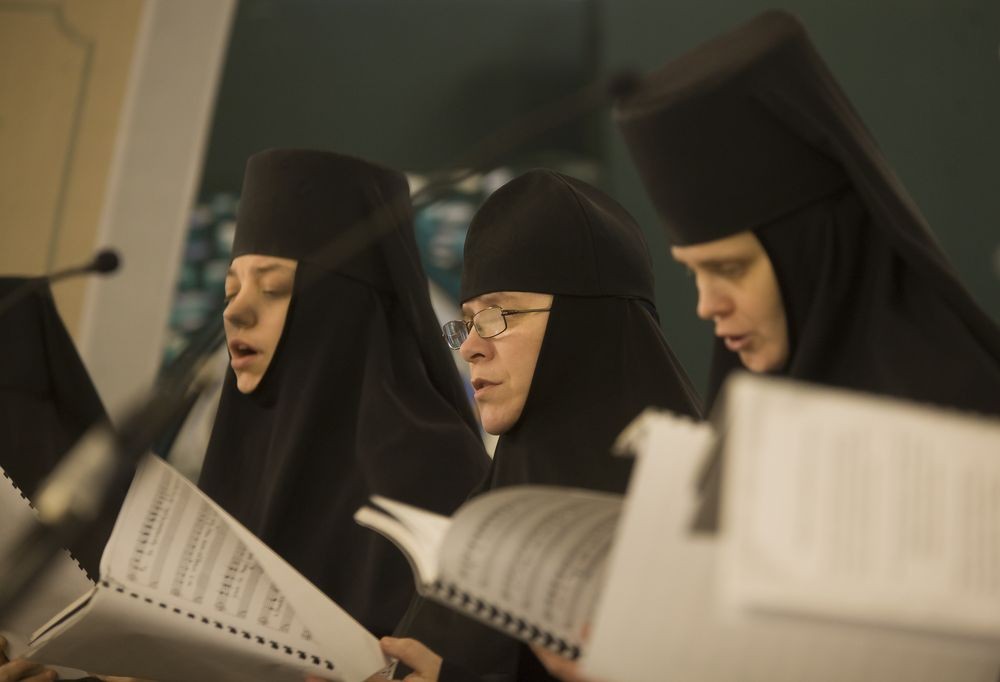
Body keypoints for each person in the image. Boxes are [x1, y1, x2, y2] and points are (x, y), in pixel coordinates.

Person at [378, 169, 704, 681]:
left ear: (583, 325)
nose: (470, 346)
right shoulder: (493, 501)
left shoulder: (688, 503)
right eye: (468, 320)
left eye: (499, 314)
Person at [614, 10, 1000, 415]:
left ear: (815, 255)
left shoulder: (958, 419)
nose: (706, 306)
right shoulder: (741, 412)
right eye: (693, 272)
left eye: (729, 268)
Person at [198, 149, 490, 638]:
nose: (235, 312)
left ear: (342, 308)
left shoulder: (432, 469)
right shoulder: (239, 455)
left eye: (273, 289)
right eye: (231, 291)